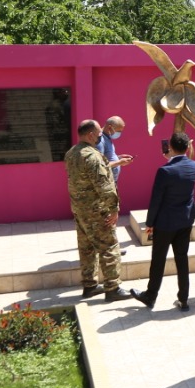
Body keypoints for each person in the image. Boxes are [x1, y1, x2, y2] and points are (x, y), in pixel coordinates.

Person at [65, 120, 135, 301]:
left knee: (87, 248)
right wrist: (114, 209)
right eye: (98, 134)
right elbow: (105, 187)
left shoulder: (71, 153)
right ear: (90, 135)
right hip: (97, 211)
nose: (100, 136)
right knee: (109, 246)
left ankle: (89, 286)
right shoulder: (93, 157)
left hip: (80, 210)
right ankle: (113, 288)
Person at [137, 132, 195, 311]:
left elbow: (156, 199)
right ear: (188, 147)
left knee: (158, 259)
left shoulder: (164, 171)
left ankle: (151, 295)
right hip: (185, 220)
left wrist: (149, 223)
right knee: (182, 259)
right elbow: (182, 166)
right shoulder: (194, 165)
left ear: (170, 147)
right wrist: (172, 157)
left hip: (165, 223)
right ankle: (184, 299)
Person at [96, 116, 134, 183]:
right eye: (118, 131)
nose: (119, 134)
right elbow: (98, 165)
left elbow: (106, 157)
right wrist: (119, 162)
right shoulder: (100, 140)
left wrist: (118, 157)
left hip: (111, 182)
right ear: (109, 127)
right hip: (105, 183)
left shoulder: (107, 138)